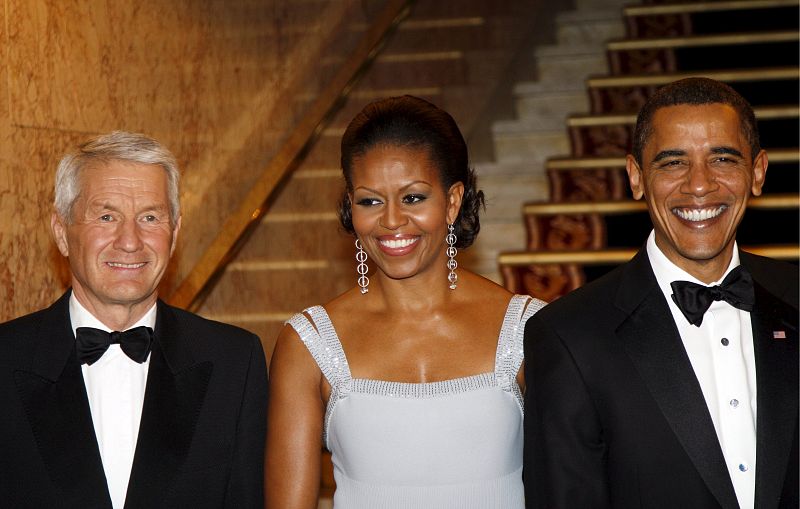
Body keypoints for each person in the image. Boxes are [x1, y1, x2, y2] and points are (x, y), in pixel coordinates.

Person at [523, 77, 798, 509]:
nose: (700, 185)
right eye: (673, 163)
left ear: (758, 171)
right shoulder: (568, 336)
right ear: (636, 177)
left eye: (723, 159)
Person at [265, 95, 545, 508]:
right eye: (370, 200)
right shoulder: (309, 344)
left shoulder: (528, 329)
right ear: (350, 206)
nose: (392, 220)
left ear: (451, 202)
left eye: (413, 197)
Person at [0, 131, 268, 508]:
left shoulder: (235, 362)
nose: (130, 240)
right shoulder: (6, 360)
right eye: (106, 216)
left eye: (150, 217)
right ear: (61, 233)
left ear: (174, 236)